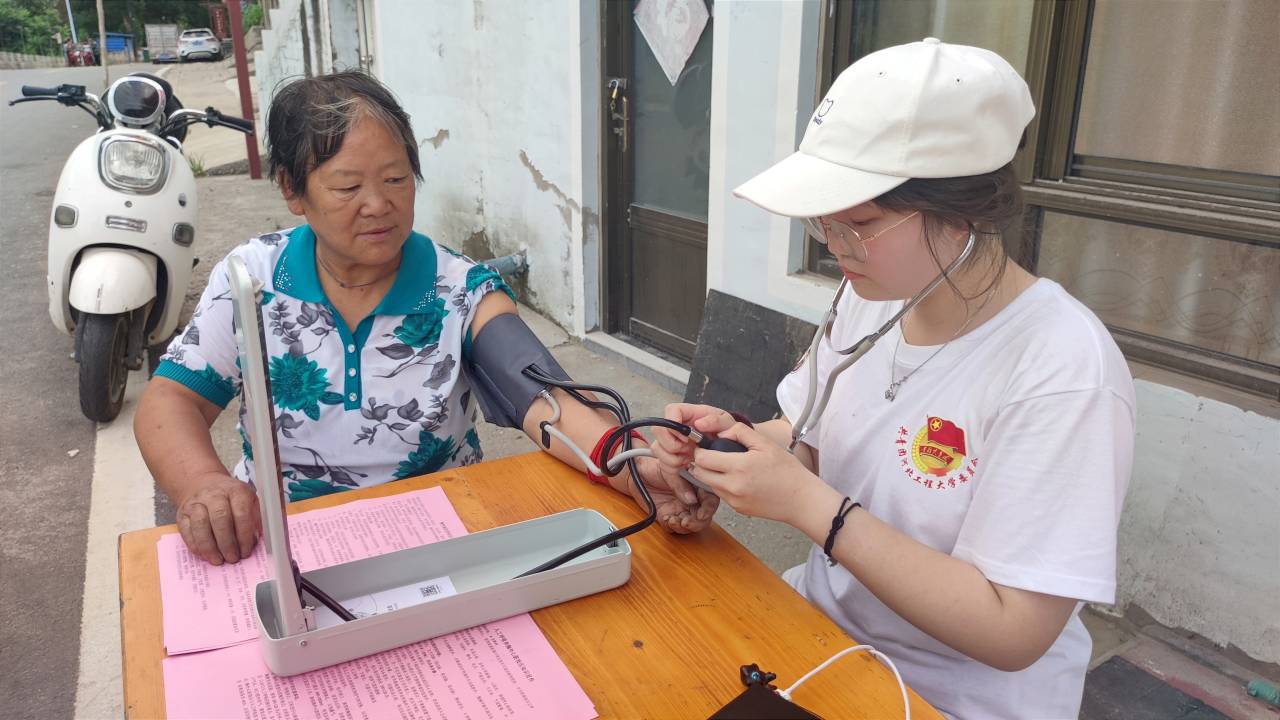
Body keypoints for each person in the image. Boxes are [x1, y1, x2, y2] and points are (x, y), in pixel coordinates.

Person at [650, 39, 1135, 719]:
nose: (830, 243)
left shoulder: (1060, 368)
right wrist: (733, 452)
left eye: (860, 222)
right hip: (822, 635)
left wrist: (805, 504)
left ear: (965, 211)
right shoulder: (870, 295)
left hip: (952, 697)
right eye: (822, 219)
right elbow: (810, 435)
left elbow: (1013, 629)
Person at [136, 71, 716, 567]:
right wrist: (205, 485)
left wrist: (641, 470)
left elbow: (549, 403)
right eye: (347, 186)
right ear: (293, 190)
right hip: (288, 538)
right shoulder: (250, 280)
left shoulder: (459, 288)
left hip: (437, 540)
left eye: (395, 179)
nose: (379, 204)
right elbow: (171, 402)